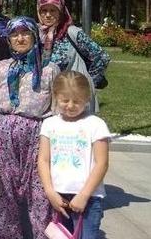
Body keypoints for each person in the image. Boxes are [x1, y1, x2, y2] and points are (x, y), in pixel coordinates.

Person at [0, 16, 59, 238]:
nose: (20, 38)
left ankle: (42, 234)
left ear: (34, 36)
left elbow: (58, 109)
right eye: (14, 34)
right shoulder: (1, 68)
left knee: (40, 193)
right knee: (2, 193)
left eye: (25, 33)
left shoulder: (50, 69)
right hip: (2, 137)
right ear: (9, 40)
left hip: (38, 138)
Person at [38, 71, 110, 239]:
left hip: (89, 198)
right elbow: (43, 159)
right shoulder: (49, 124)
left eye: (77, 101)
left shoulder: (95, 125)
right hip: (59, 197)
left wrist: (84, 195)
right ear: (56, 97)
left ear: (87, 99)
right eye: (65, 100)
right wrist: (50, 191)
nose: (70, 106)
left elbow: (102, 164)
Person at [37, 0, 110, 101]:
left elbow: (101, 57)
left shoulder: (72, 32)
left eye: (53, 10)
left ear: (61, 11)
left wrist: (86, 84)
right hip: (50, 97)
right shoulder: (37, 34)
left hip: (76, 97)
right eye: (44, 10)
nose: (48, 15)